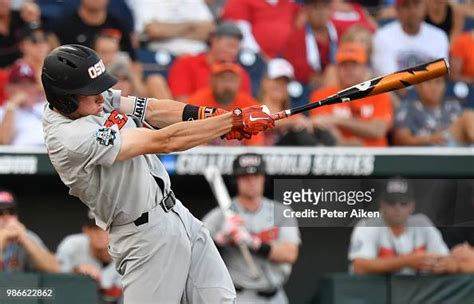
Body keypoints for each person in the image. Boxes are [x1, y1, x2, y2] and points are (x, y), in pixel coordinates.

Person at [41, 44, 274, 303]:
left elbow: (150, 109)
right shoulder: (70, 138)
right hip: (143, 236)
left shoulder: (88, 101)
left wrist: (209, 115)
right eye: (90, 92)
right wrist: (228, 123)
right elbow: (163, 141)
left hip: (177, 215)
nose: (100, 97)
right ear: (65, 99)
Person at [203, 153, 301, 304]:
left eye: (256, 175)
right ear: (236, 180)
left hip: (274, 296)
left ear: (264, 178)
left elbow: (290, 254)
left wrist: (254, 242)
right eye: (245, 177)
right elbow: (198, 256)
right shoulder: (220, 215)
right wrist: (219, 240)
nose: (251, 181)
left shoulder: (280, 212)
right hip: (237, 295)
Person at [349, 178, 457, 274]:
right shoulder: (368, 225)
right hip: (378, 293)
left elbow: (447, 260)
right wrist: (407, 261)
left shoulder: (422, 223)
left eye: (403, 203)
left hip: (419, 292)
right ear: (382, 204)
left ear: (412, 206)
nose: (397, 207)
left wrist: (443, 264)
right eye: (392, 202)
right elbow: (359, 266)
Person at [310, 42, 393, 147]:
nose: (349, 70)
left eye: (354, 65)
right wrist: (345, 144)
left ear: (364, 68)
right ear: (336, 69)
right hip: (338, 157)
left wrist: (338, 120)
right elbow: (322, 126)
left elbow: (377, 130)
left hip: (376, 157)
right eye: (344, 65)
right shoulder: (321, 96)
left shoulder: (379, 94)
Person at [168, 22, 252, 102]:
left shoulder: (239, 73)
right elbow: (181, 101)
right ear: (214, 40)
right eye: (229, 45)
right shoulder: (186, 63)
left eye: (237, 48)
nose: (233, 51)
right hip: (192, 114)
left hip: (227, 115)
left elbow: (243, 105)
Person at [260, 58, 335, 146]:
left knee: (319, 129)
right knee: (298, 131)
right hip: (261, 155)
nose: (281, 86)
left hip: (287, 155)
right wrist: (290, 123)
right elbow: (257, 124)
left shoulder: (293, 116)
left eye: (285, 82)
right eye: (276, 81)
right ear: (265, 82)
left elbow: (304, 123)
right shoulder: (254, 107)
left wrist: (313, 123)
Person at [188, 62, 264, 146]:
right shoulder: (198, 102)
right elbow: (194, 141)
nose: (228, 85)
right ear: (212, 81)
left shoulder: (249, 104)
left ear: (239, 82)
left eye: (232, 80)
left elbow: (256, 144)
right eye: (223, 79)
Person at [56, 211, 122, 303]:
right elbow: (54, 273)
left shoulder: (126, 251)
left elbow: (113, 295)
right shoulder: (72, 244)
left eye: (105, 228)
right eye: (94, 228)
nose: (99, 234)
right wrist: (75, 270)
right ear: (86, 231)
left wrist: (99, 281)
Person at [371, 0, 449, 76]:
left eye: (416, 5)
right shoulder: (382, 37)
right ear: (397, 10)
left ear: (425, 8)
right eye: (406, 6)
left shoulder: (439, 36)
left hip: (427, 87)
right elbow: (389, 80)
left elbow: (438, 76)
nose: (412, 11)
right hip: (396, 88)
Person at [393, 76, 474, 146]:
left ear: (444, 85)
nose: (433, 87)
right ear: (418, 86)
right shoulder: (407, 108)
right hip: (425, 156)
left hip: (456, 151)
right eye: (428, 82)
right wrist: (429, 138)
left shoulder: (453, 106)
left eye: (438, 82)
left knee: (469, 115)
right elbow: (400, 140)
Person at [52, 0, 135, 61]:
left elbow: (133, 61)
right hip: (76, 78)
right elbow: (56, 60)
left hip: (114, 77)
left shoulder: (118, 24)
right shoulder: (65, 26)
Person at [0, 189, 59, 272]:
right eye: (0, 213)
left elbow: (55, 269)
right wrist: (2, 239)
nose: (6, 217)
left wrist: (25, 240)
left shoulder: (25, 235)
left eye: (11, 212)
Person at [281, 0, 338, 87]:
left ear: (331, 9)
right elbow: (301, 73)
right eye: (315, 7)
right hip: (307, 88)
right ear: (306, 10)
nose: (320, 12)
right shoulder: (296, 38)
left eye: (324, 7)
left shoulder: (339, 33)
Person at [127, 0, 215, 56]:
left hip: (197, 55)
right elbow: (154, 31)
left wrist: (168, 29)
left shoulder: (193, 2)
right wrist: (191, 26)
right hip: (162, 56)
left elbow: (209, 30)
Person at [221, 0, 301, 59]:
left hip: (280, 59)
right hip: (249, 55)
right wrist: (261, 57)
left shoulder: (288, 3)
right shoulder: (240, 1)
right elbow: (241, 33)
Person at [0, 61, 46, 146]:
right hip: (22, 156)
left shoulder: (45, 107)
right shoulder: (3, 111)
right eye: (20, 84)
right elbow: (3, 141)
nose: (26, 89)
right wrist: (12, 105)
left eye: (30, 84)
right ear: (8, 88)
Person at [0, 0, 41, 67]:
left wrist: (34, 20)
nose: (3, 2)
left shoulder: (21, 16)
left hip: (26, 67)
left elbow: (41, 40)